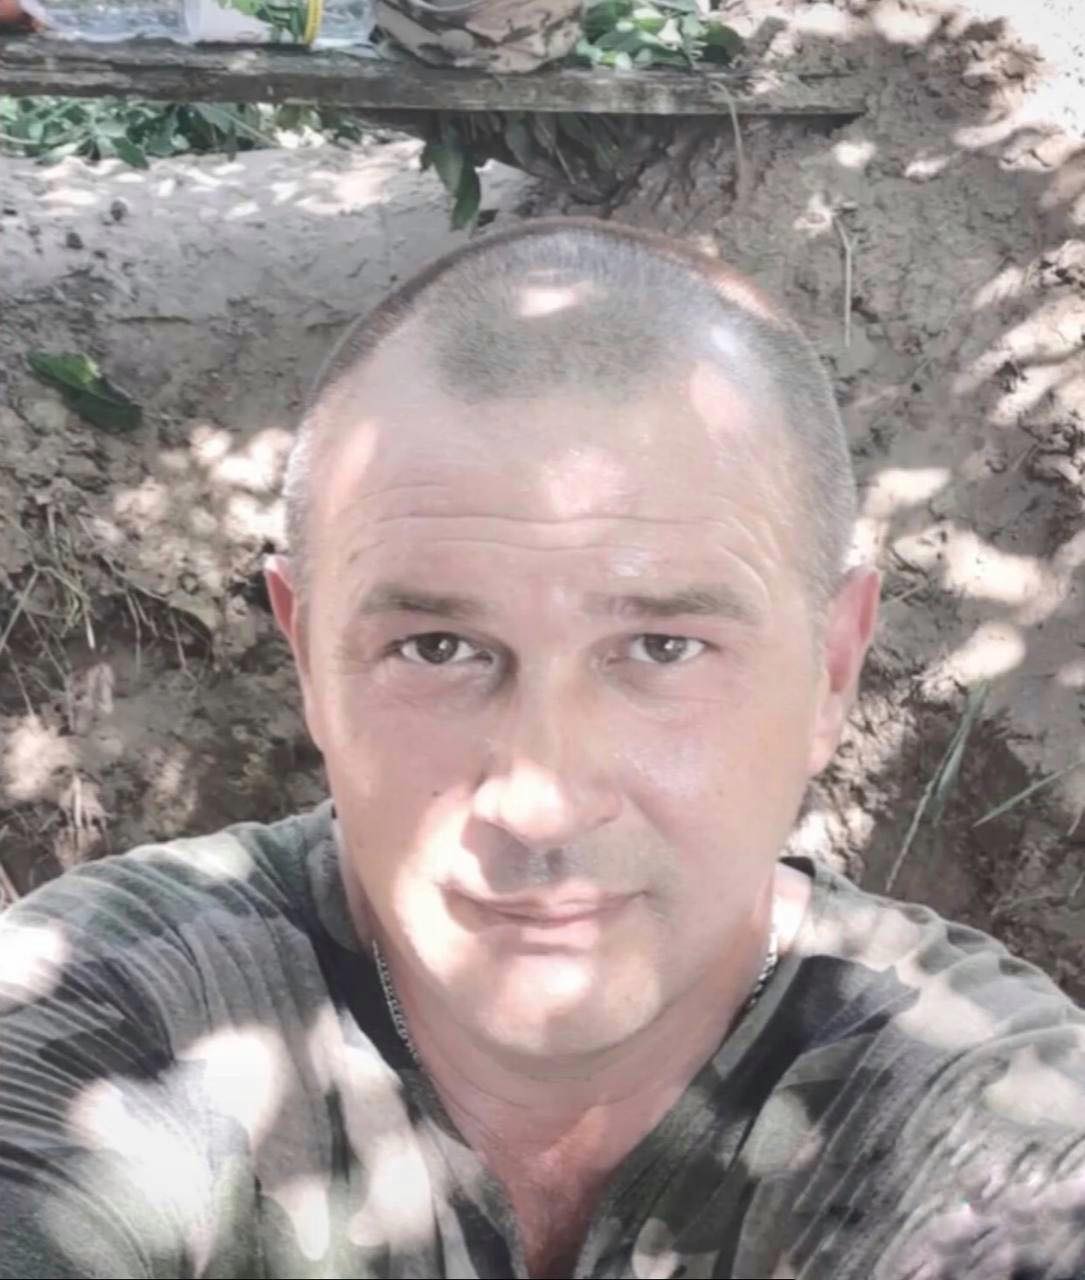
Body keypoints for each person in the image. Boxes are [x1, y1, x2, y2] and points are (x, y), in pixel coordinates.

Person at [1, 219, 1082, 1280]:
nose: (540, 802)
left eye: (661, 647)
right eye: (436, 647)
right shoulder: (98, 1015)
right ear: (308, 660)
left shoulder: (980, 1106)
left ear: (830, 671)